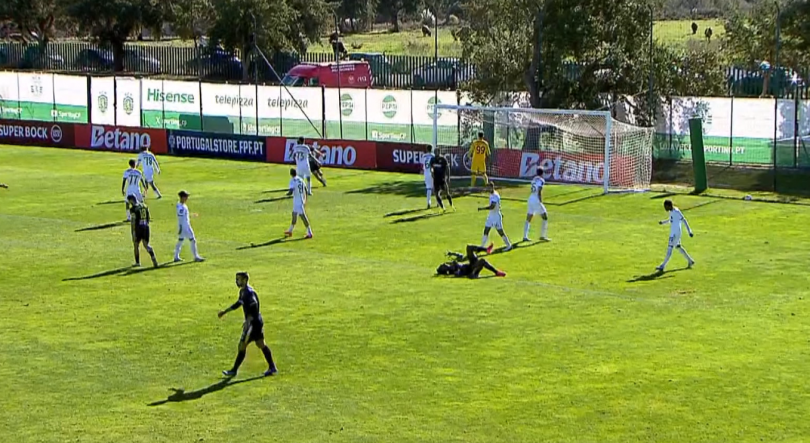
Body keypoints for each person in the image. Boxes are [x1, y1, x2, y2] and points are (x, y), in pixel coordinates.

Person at [218, 272, 278, 378]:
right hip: (256, 322)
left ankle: (233, 371)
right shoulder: (243, 292)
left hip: (253, 324)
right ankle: (272, 367)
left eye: (238, 279)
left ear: (245, 280)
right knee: (260, 344)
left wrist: (249, 320)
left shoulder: (249, 292)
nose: (237, 281)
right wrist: (225, 311)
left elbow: (254, 305)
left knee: (242, 346)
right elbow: (238, 303)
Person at [656, 199, 695, 272]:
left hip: (675, 233)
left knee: (669, 248)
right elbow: (671, 220)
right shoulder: (671, 212)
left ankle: (662, 266)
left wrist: (689, 231)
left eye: (665, 207)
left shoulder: (676, 211)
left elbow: (684, 220)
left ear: (669, 206)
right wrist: (663, 222)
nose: (665, 208)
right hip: (673, 232)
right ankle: (690, 261)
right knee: (678, 247)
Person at [436, 244, 506, 278]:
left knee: (468, 247)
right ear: (445, 270)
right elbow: (460, 274)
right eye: (443, 266)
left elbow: (461, 256)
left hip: (471, 264)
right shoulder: (453, 270)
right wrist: (457, 267)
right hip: (472, 270)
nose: (444, 264)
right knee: (482, 261)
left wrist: (452, 253)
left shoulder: (452, 265)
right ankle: (496, 272)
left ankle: (486, 250)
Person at [478, 182, 512, 251]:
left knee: (500, 231)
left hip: (496, 216)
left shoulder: (495, 195)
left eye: (488, 188)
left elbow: (492, 207)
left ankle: (509, 245)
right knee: (486, 230)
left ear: (492, 187)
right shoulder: (491, 194)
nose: (487, 189)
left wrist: (482, 208)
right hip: (491, 216)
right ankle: (481, 246)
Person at [128, 195, 159, 268]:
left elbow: (133, 221)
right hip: (146, 227)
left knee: (136, 245)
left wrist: (133, 232)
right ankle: (153, 257)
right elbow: (148, 218)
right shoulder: (144, 206)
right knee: (146, 245)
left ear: (131, 200)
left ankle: (137, 262)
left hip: (138, 228)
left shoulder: (133, 209)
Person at [174, 190, 205, 263]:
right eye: (186, 197)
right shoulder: (180, 207)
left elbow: (184, 215)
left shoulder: (181, 205)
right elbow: (181, 217)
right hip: (185, 226)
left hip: (184, 226)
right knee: (192, 240)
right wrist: (181, 228)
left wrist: (191, 215)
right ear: (182, 197)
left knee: (180, 241)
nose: (187, 198)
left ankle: (176, 256)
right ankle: (196, 256)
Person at [523, 167, 551, 242]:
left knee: (529, 217)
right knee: (545, 216)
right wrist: (540, 200)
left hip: (530, 199)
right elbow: (539, 190)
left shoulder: (534, 179)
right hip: (536, 200)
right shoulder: (541, 180)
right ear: (542, 173)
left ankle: (525, 236)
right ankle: (543, 236)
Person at [284, 169, 313, 239]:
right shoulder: (301, 179)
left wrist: (287, 194)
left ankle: (310, 232)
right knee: (294, 214)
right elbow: (305, 189)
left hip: (298, 202)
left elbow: (290, 192)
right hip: (299, 200)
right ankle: (290, 230)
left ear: (291, 174)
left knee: (303, 217)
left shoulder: (292, 181)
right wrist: (305, 199)